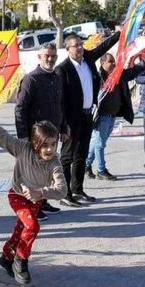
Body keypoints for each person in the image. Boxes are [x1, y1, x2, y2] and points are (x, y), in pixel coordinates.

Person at [0, 110, 67, 287]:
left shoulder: (54, 162)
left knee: (21, 229)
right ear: (35, 143)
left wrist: (42, 193)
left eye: (53, 145)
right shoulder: (22, 148)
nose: (50, 149)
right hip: (17, 195)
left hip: (35, 201)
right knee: (32, 225)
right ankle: (21, 261)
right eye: (45, 145)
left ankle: (7, 256)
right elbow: (2, 135)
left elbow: (62, 190)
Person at [54, 32, 120, 207]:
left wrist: (121, 32)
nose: (80, 48)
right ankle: (64, 193)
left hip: (87, 115)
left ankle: (78, 189)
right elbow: (59, 101)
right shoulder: (62, 69)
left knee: (81, 155)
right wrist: (63, 125)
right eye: (76, 45)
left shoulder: (88, 59)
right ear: (67, 49)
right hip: (70, 119)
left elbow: (104, 47)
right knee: (67, 157)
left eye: (81, 44)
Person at [14, 43, 66, 218]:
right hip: (35, 137)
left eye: (53, 56)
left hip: (53, 134)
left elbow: (60, 106)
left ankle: (43, 201)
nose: (50, 59)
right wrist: (22, 136)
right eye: (47, 56)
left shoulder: (57, 77)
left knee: (47, 172)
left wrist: (63, 127)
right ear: (39, 57)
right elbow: (20, 108)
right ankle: (32, 208)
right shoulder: (31, 79)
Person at [85, 52, 145, 181]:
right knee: (99, 143)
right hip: (101, 116)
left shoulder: (118, 75)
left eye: (114, 61)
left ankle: (86, 165)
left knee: (97, 142)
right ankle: (101, 170)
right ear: (102, 63)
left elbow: (134, 71)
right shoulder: (97, 78)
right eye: (110, 61)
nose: (113, 64)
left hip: (112, 116)